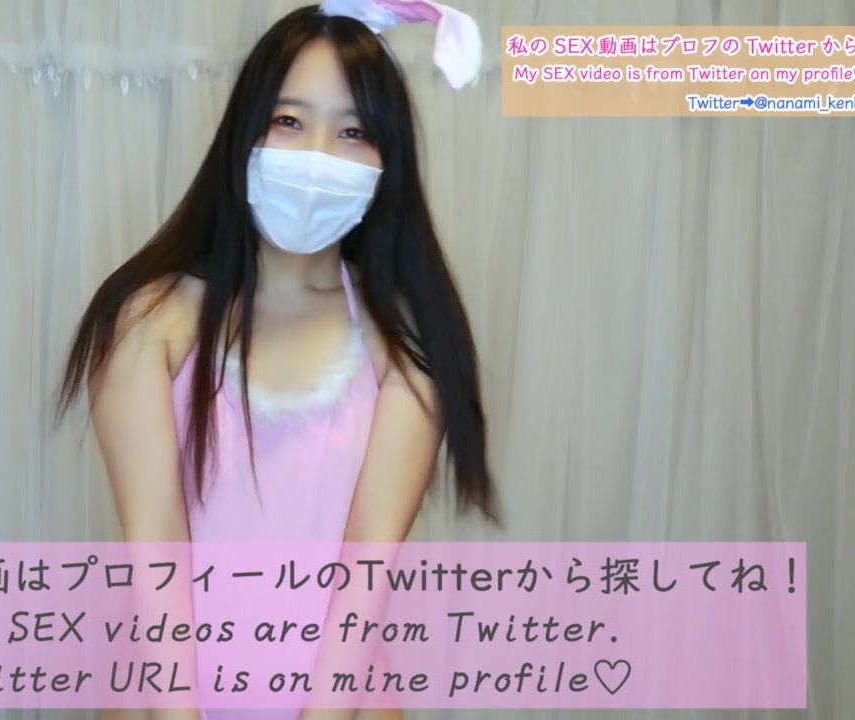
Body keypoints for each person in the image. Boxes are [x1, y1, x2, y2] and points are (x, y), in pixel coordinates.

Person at [58, 3, 497, 720]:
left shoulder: (403, 342)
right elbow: (154, 540)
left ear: (387, 162)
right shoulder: (150, 322)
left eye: (353, 132)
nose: (317, 155)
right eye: (289, 121)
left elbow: (368, 557)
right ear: (244, 132)